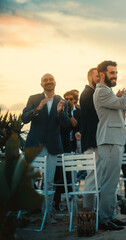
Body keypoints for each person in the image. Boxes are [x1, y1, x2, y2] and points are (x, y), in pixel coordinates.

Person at [93, 60, 126, 230]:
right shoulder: (101, 92)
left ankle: (110, 216)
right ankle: (104, 219)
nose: (115, 76)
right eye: (112, 73)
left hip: (116, 140)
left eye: (116, 73)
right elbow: (123, 104)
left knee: (113, 183)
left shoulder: (110, 93)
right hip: (110, 141)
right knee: (109, 183)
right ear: (102, 74)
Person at [21, 73, 70, 222]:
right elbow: (24, 118)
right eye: (45, 80)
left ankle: (47, 214)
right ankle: (26, 212)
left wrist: (60, 113)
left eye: (51, 79)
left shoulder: (62, 101)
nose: (49, 82)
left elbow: (67, 125)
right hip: (34, 145)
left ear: (55, 82)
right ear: (41, 84)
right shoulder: (33, 98)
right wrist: (37, 108)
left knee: (49, 181)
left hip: (53, 146)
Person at [80, 67, 100, 209]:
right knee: (92, 177)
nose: (100, 78)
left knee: (95, 176)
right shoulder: (88, 94)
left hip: (94, 141)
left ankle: (93, 209)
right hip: (92, 142)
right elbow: (96, 116)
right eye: (97, 76)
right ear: (89, 78)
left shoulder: (93, 93)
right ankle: (88, 210)